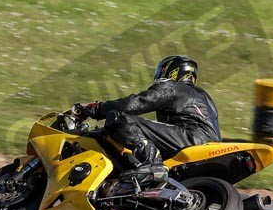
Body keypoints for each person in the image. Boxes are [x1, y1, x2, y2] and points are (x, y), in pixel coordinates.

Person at [74, 55, 221, 182]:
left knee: (119, 117)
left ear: (171, 71)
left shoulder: (173, 86)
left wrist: (95, 108)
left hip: (191, 139)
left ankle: (152, 162)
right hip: (210, 146)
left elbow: (136, 103)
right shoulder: (205, 98)